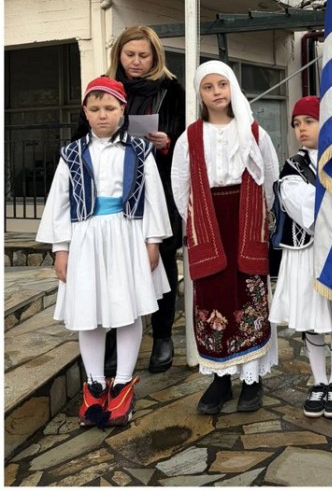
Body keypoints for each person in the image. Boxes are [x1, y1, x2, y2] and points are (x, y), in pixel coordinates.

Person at [37, 77, 171, 427]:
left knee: (128, 310)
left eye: (110, 108)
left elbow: (153, 195)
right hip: (85, 238)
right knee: (89, 310)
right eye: (94, 109)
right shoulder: (72, 154)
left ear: (123, 110)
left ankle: (123, 382)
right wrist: (60, 248)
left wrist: (153, 240)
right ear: (85, 110)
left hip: (128, 236)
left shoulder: (140, 151)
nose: (102, 115)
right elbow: (60, 203)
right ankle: (95, 383)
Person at [170, 61, 280, 415]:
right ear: (199, 94)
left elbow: (269, 176)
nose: (217, 92)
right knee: (212, 294)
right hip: (209, 220)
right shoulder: (191, 136)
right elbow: (180, 183)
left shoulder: (253, 132)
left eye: (222, 84)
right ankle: (220, 378)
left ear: (232, 87)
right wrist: (197, 222)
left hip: (244, 220)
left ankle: (251, 379)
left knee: (249, 291)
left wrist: (259, 220)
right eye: (208, 87)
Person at [79, 26, 186, 376]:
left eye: (144, 55)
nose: (136, 61)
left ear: (155, 56)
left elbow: (187, 140)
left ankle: (162, 336)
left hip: (159, 188)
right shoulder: (103, 90)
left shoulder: (171, 91)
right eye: (130, 54)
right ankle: (112, 335)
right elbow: (81, 140)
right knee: (114, 265)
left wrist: (167, 142)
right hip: (111, 195)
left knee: (162, 261)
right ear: (119, 56)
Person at [267, 96, 332, 419]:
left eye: (309, 122)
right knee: (312, 321)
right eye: (297, 124)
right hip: (305, 253)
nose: (301, 129)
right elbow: (299, 205)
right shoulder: (292, 167)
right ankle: (319, 382)